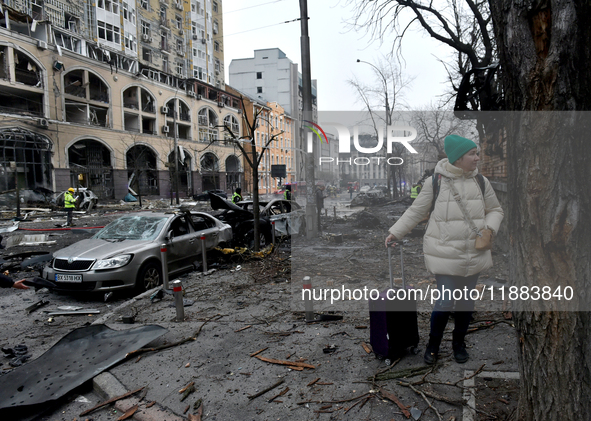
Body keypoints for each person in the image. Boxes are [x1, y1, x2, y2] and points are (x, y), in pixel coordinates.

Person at [385, 134, 504, 365]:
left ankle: (459, 343)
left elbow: (496, 210)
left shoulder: (481, 182)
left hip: (475, 252)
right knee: (445, 301)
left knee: (466, 303)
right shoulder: (436, 182)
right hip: (445, 253)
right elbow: (416, 211)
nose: (477, 158)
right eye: (473, 154)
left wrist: (490, 228)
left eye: (477, 153)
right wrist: (396, 232)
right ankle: (433, 344)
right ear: (458, 158)